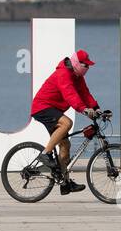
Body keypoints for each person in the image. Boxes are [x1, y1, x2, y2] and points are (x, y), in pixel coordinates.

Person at [30, 49, 101, 195]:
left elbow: (84, 93)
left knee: (65, 146)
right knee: (67, 123)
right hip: (42, 107)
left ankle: (65, 183)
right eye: (85, 65)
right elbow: (70, 94)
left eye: (88, 66)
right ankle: (45, 153)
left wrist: (96, 108)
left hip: (53, 109)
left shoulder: (77, 76)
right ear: (76, 63)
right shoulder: (64, 74)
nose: (87, 68)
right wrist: (83, 109)